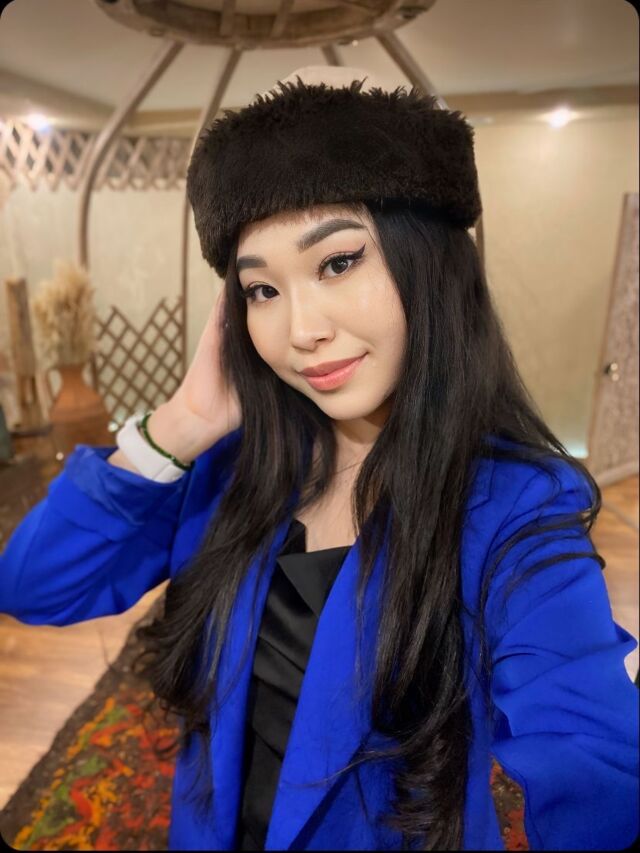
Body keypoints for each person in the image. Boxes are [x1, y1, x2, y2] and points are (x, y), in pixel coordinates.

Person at [1, 67, 638, 852]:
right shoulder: (234, 467)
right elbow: (33, 584)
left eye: (337, 262)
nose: (301, 329)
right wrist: (183, 422)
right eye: (262, 290)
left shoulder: (512, 503)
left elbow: (596, 757)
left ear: (428, 261)